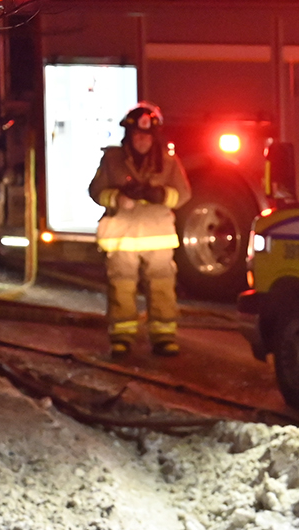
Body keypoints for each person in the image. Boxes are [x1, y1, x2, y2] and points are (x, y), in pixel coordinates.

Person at [89, 103, 192, 359]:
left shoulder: (168, 162)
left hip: (157, 236)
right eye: (137, 135)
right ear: (129, 135)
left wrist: (162, 195)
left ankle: (164, 337)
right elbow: (95, 191)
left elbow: (184, 194)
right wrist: (117, 198)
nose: (142, 141)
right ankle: (122, 338)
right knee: (121, 286)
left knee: (162, 286)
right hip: (122, 236)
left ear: (154, 137)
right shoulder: (112, 159)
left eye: (146, 136)